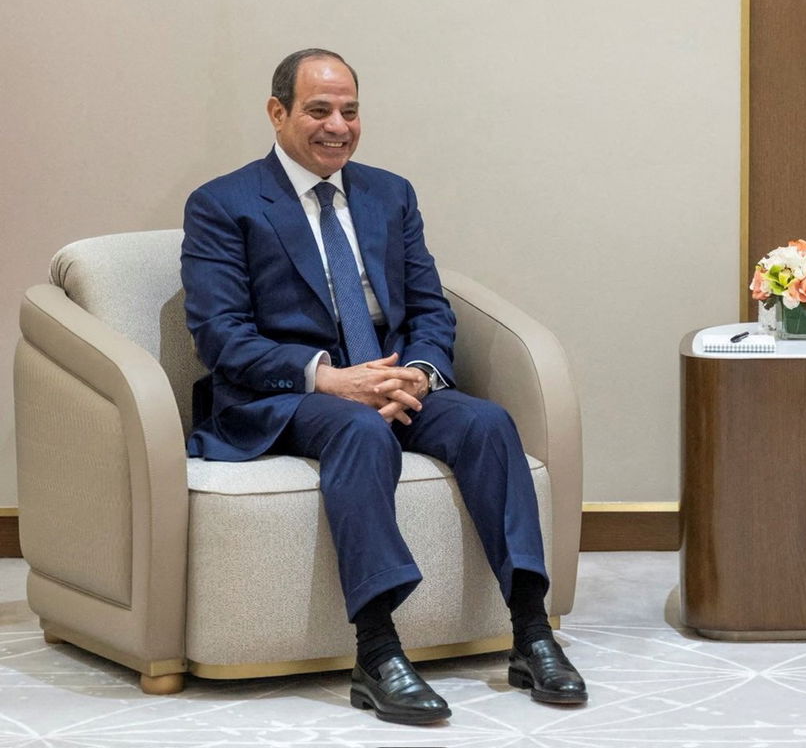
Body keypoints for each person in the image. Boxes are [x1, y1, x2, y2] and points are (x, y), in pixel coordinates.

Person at [182, 49, 586, 725]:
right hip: (290, 395)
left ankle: (531, 631)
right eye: (318, 110)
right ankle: (377, 650)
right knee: (358, 426)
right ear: (278, 112)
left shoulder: (388, 194)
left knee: (487, 423)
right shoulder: (224, 204)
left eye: (350, 110)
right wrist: (330, 380)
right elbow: (220, 334)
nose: (337, 125)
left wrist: (418, 376)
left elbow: (430, 307)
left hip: (394, 380)